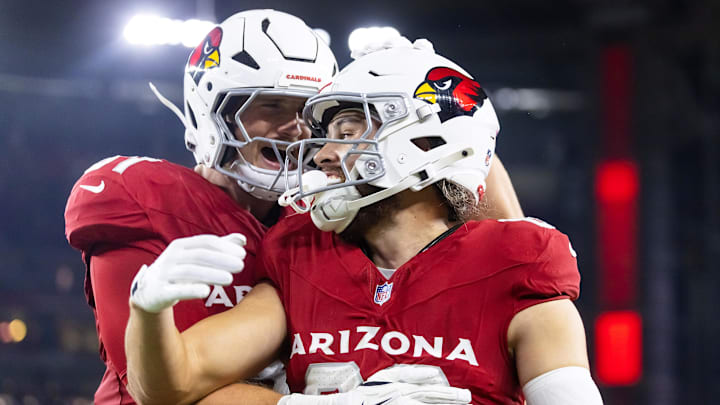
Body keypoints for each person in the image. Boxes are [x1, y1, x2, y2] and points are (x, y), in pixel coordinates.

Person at [124, 40, 602, 404]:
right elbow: (174, 385)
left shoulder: (515, 264)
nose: (326, 156)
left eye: (348, 133)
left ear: (424, 142)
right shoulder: (303, 255)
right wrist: (147, 311)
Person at [64, 9, 337, 404]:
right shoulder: (142, 199)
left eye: (305, 111)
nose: (295, 129)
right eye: (273, 106)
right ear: (214, 113)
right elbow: (160, 388)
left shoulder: (319, 219)